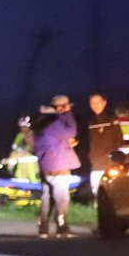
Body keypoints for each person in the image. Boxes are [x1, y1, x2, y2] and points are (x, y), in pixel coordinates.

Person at [35, 94, 80, 238]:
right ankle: (62, 226)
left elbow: (54, 142)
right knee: (62, 198)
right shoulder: (54, 124)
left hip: (45, 166)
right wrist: (66, 114)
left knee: (46, 197)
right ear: (60, 108)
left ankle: (43, 227)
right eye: (66, 107)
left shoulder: (40, 124)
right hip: (58, 166)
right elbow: (72, 130)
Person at [85, 92, 122, 195]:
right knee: (96, 190)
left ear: (104, 103)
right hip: (95, 162)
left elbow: (119, 140)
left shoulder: (111, 119)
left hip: (110, 162)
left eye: (98, 102)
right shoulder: (89, 121)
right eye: (92, 103)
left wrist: (111, 154)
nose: (95, 105)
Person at [0, 116, 39, 182]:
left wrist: (9, 160)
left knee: (34, 180)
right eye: (21, 126)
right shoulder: (19, 136)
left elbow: (29, 150)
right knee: (19, 180)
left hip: (31, 165)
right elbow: (14, 150)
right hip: (21, 165)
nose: (22, 128)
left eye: (24, 126)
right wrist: (10, 164)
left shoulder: (34, 135)